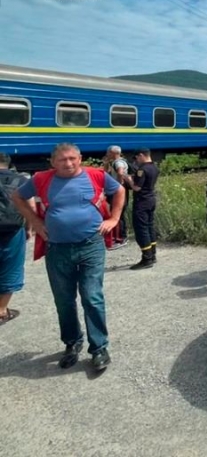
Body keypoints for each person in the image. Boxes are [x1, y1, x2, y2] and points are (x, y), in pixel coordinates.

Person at [12, 143, 124, 370]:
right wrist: (35, 222)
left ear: (80, 158)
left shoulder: (95, 175)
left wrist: (113, 219)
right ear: (53, 162)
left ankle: (99, 348)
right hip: (58, 249)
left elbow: (119, 190)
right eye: (63, 160)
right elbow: (17, 197)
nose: (69, 163)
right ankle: (72, 342)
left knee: (92, 297)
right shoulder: (42, 179)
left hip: (91, 245)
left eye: (73, 158)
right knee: (64, 301)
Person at [0, 152, 33, 326]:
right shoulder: (21, 180)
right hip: (13, 230)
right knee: (11, 267)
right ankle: (2, 310)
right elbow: (30, 206)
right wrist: (29, 228)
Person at [126, 147, 159, 270]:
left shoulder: (142, 170)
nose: (136, 161)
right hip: (151, 200)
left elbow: (136, 188)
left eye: (136, 158)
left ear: (141, 155)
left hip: (142, 202)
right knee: (150, 226)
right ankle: (153, 255)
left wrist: (129, 179)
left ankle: (147, 258)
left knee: (141, 229)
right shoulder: (154, 167)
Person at [104, 145, 130, 249]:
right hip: (118, 190)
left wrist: (119, 184)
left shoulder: (118, 162)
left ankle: (121, 237)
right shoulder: (114, 162)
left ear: (113, 153)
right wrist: (106, 164)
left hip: (119, 191)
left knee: (118, 213)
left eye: (108, 152)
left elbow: (120, 172)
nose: (107, 154)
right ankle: (119, 236)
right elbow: (106, 173)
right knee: (117, 212)